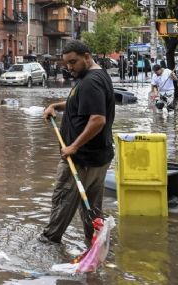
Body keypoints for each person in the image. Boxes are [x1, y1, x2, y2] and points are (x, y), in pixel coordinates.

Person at [40, 40, 115, 246]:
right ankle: (95, 247)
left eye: (73, 62)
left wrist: (74, 146)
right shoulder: (97, 76)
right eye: (67, 64)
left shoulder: (91, 81)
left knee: (62, 202)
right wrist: (56, 105)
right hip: (98, 156)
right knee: (91, 208)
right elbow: (79, 103)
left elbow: (98, 119)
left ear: (86, 56)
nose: (70, 67)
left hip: (81, 159)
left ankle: (48, 243)